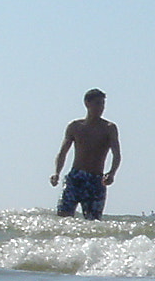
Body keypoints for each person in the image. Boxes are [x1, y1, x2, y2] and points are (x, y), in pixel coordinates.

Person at [51, 88, 121, 218]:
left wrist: (111, 173)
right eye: (97, 103)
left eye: (102, 104)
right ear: (87, 103)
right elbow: (63, 152)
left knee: (93, 221)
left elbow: (116, 155)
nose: (101, 108)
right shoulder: (75, 126)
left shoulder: (109, 128)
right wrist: (57, 173)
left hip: (96, 179)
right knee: (63, 216)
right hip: (76, 177)